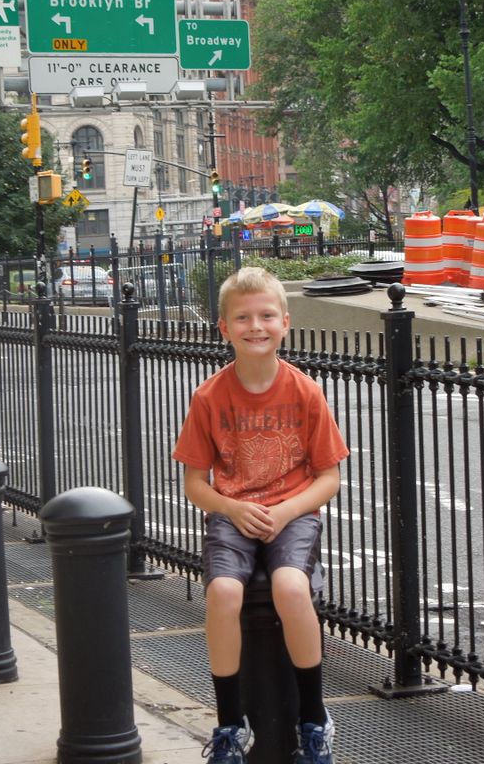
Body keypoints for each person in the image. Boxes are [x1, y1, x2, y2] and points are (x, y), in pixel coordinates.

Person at [172, 267, 348, 764]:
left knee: (291, 588)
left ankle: (314, 721)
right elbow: (195, 484)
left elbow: (328, 477)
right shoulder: (209, 397)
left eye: (266, 316)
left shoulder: (305, 391)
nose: (256, 326)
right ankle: (230, 724)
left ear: (285, 323)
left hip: (292, 512)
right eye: (243, 317)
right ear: (223, 327)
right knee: (224, 592)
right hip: (234, 512)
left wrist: (288, 509)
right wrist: (232, 508)